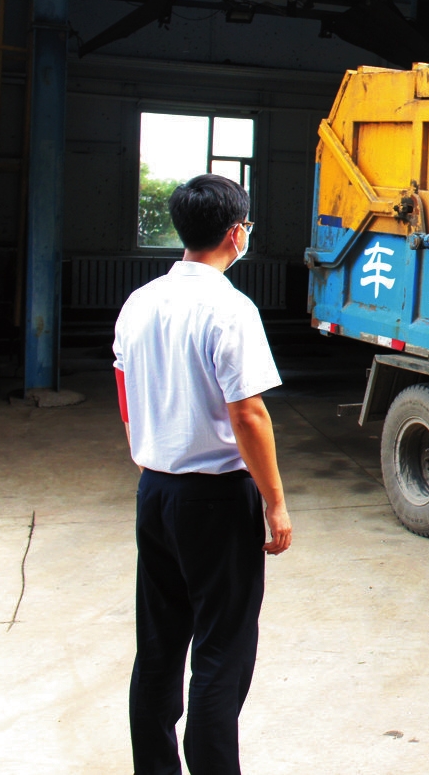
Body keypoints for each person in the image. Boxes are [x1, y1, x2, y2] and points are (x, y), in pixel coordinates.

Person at [113, 174, 291, 775]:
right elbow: (248, 413)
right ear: (236, 234)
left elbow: (124, 385)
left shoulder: (140, 302)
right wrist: (275, 502)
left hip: (156, 490)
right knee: (222, 649)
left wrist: (146, 450)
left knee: (159, 644)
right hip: (216, 498)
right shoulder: (230, 308)